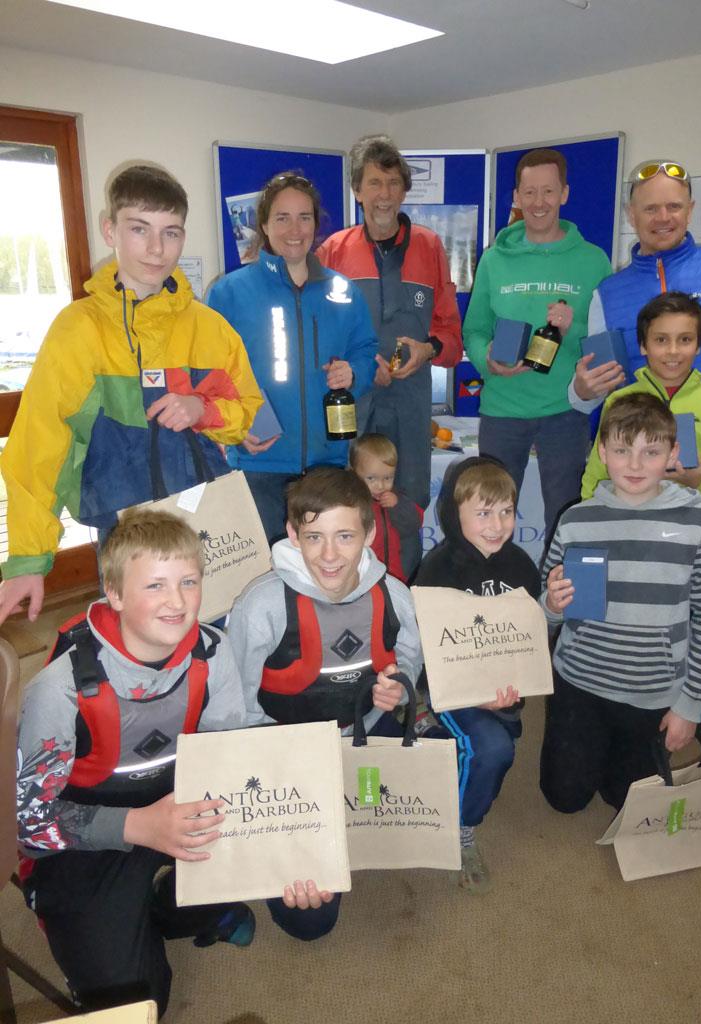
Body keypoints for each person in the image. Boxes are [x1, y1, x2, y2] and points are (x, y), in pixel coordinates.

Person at [0, 164, 261, 628]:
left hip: (206, 526)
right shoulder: (78, 330)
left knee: (215, 639)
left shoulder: (211, 329)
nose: (157, 249)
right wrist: (28, 558)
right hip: (125, 532)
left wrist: (201, 408)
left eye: (171, 232)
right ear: (110, 229)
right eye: (139, 229)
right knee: (140, 650)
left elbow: (247, 413)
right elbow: (39, 447)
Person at [15, 509, 253, 1016]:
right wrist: (138, 826)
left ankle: (165, 910)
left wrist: (297, 849)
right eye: (155, 586)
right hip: (90, 834)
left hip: (180, 804)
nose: (177, 602)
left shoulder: (215, 653)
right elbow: (30, 824)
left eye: (189, 581)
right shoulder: (57, 692)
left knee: (269, 859)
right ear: (115, 593)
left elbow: (231, 761)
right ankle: (85, 917)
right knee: (137, 1002)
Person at [227, 466, 422, 937]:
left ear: (370, 533)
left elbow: (411, 659)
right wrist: (274, 774)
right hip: (286, 758)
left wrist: (399, 689)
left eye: (345, 536)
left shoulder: (394, 594)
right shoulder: (263, 605)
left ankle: (349, 824)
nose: (330, 555)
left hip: (364, 738)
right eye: (314, 537)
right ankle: (290, 844)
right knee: (310, 920)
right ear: (293, 533)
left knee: (384, 821)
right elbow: (229, 705)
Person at [539, 393, 701, 814]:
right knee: (564, 798)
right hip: (580, 683)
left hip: (654, 692)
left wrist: (690, 706)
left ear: (673, 453)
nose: (636, 465)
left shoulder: (700, 522)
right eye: (622, 450)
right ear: (602, 451)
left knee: (624, 799)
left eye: (651, 451)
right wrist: (551, 604)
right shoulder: (576, 520)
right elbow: (543, 608)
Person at [207, 171, 378, 544]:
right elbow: (210, 375)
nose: (294, 229)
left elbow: (366, 351)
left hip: (327, 465)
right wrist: (234, 432)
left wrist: (354, 372)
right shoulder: (229, 294)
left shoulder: (343, 292)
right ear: (264, 225)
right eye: (282, 217)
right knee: (263, 580)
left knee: (319, 575)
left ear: (316, 224)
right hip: (258, 463)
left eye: (304, 217)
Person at [462, 148, 612, 544]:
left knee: (565, 519)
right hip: (502, 411)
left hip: (564, 411)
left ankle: (557, 601)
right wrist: (487, 360)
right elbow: (474, 330)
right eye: (530, 193)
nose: (539, 202)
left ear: (564, 193)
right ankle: (491, 596)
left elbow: (602, 338)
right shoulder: (495, 260)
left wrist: (573, 325)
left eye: (548, 191)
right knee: (488, 517)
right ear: (516, 196)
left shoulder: (593, 260)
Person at [414, 458, 540, 892]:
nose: (497, 524)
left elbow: (529, 635)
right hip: (450, 688)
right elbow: (430, 649)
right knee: (491, 750)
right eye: (483, 513)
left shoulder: (522, 565)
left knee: (499, 749)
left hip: (504, 690)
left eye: (506, 511)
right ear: (455, 514)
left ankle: (434, 743)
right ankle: (462, 831)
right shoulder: (438, 569)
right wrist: (471, 693)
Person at [317, 135, 462, 510]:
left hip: (409, 404)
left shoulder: (430, 247)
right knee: (344, 502)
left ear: (404, 191)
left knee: (407, 504)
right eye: (375, 183)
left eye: (394, 183)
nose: (385, 194)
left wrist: (428, 349)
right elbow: (318, 334)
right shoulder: (333, 251)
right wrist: (364, 369)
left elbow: (452, 337)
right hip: (352, 402)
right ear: (357, 190)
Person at [571, 158, 701, 427]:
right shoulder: (607, 295)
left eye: (674, 206)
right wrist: (581, 391)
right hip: (642, 444)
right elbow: (596, 388)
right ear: (632, 215)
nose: (663, 217)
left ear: (690, 211)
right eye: (650, 208)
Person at [581, 292, 701, 506]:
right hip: (627, 522)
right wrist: (590, 515)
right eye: (661, 340)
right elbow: (597, 471)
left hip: (689, 525)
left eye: (685, 340)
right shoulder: (619, 400)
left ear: (698, 346)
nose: (673, 351)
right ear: (644, 345)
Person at [349, 432, 423, 583]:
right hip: (362, 577)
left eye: (388, 478)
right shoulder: (350, 503)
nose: (381, 485)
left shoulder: (396, 498)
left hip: (395, 575)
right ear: (354, 473)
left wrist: (398, 505)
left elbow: (414, 523)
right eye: (371, 478)